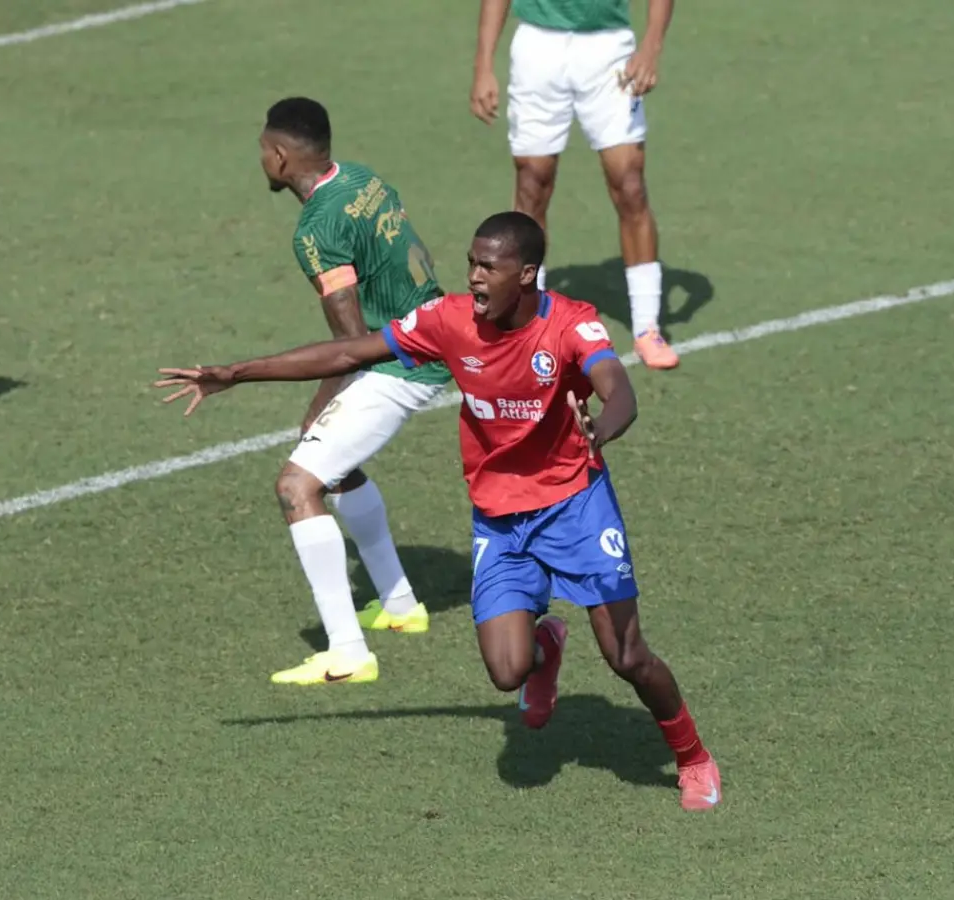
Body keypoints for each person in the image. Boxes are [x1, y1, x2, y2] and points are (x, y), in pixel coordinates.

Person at [155, 211, 721, 809]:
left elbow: (617, 385)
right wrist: (236, 374)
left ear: (527, 275)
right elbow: (352, 351)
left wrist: (605, 425)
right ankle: (545, 647)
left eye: (488, 267)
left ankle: (692, 758)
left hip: (575, 506)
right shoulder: (448, 321)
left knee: (626, 657)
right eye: (471, 263)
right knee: (506, 672)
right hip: (500, 518)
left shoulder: (571, 324)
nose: (474, 277)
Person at [248, 97, 453, 685]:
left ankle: (347, 652)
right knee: (335, 463)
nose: (261, 158)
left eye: (264, 149)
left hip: (403, 362)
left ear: (282, 156)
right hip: (427, 332)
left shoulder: (317, 229)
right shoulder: (361, 178)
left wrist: (322, 401)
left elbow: (351, 340)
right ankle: (399, 604)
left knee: (296, 484)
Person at [469, 0, 681, 370]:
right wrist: (483, 64)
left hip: (609, 50)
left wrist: (650, 47)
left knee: (629, 183)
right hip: (538, 49)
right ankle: (530, 323)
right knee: (532, 184)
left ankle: (648, 327)